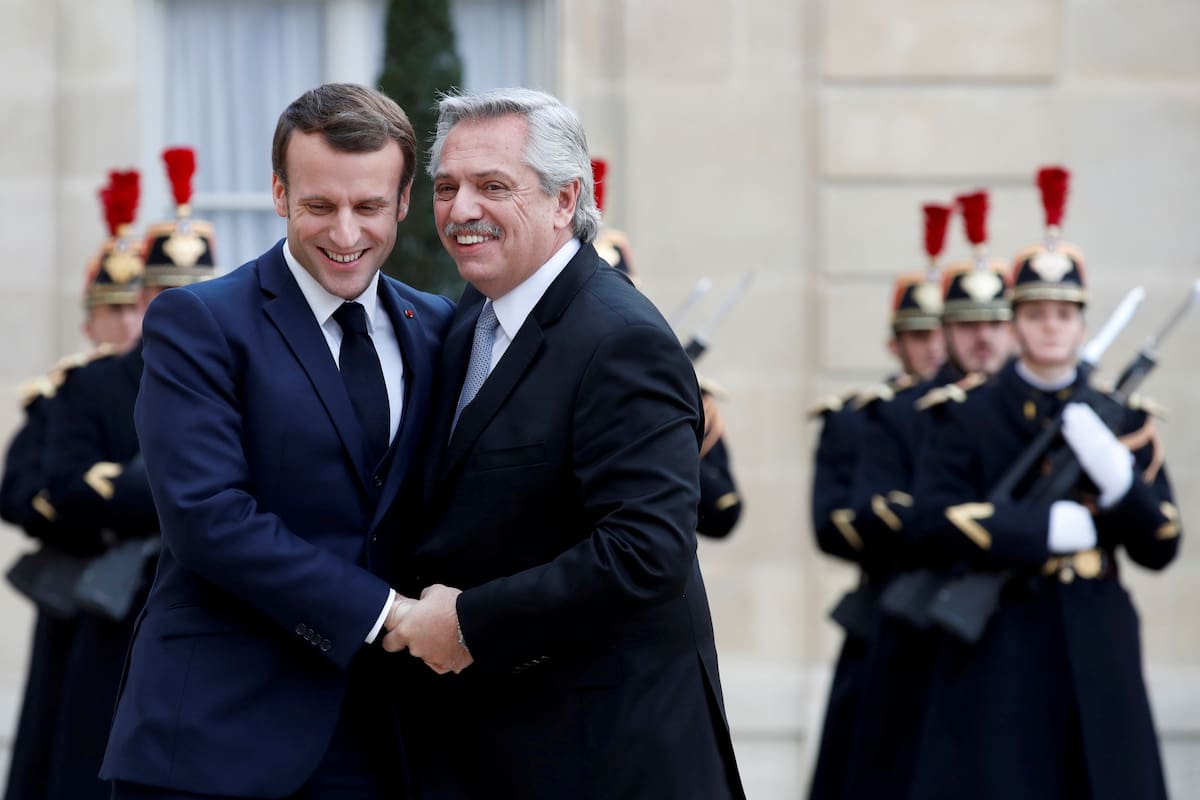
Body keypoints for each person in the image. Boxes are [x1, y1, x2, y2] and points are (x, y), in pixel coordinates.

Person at [382, 87, 744, 799]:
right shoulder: (469, 319)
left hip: (610, 756)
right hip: (497, 749)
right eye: (447, 187)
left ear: (563, 199)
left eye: (493, 187)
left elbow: (646, 552)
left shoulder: (621, 338)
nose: (460, 211)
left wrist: (467, 621)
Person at [99, 83, 454, 799]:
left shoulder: (439, 324)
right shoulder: (198, 321)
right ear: (279, 192)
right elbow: (207, 517)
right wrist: (388, 612)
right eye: (320, 205)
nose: (346, 233)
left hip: (388, 742)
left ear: (405, 201)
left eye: (369, 207)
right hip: (216, 739)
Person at [907, 167, 1179, 799]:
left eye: (1064, 313)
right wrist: (1041, 528)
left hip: (1098, 632)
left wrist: (1117, 480)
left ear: (1082, 325)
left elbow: (1162, 544)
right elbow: (927, 521)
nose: (1051, 326)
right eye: (1035, 313)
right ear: (1015, 322)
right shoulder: (968, 413)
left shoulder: (1127, 420)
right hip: (1005, 635)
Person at [832, 190, 1016, 799]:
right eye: (967, 326)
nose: (981, 341)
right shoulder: (903, 414)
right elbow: (871, 514)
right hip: (919, 618)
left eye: (996, 325)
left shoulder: (1027, 412)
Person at [1, 173, 145, 800]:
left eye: (131, 305)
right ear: (89, 321)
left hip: (146, 586)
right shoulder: (67, 392)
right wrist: (99, 512)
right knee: (67, 750)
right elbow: (23, 491)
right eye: (110, 309)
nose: (123, 320)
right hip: (87, 589)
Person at [807, 202, 949, 799]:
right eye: (918, 337)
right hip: (887, 604)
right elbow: (832, 524)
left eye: (941, 334)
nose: (932, 350)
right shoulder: (861, 418)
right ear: (896, 345)